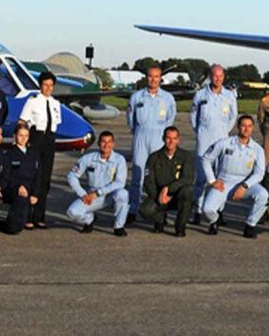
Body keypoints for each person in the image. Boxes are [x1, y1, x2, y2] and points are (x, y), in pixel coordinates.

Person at [201, 116, 268, 238]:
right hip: (224, 182)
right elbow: (206, 159)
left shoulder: (258, 149)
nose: (246, 129)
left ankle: (250, 225)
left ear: (253, 128)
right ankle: (215, 220)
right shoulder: (224, 143)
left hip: (245, 183)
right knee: (208, 209)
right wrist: (212, 181)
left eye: (249, 126)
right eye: (243, 125)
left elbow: (259, 173)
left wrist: (244, 186)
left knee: (263, 195)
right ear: (238, 127)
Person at [126, 65, 176, 224]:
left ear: (160, 78)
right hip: (141, 136)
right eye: (150, 76)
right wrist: (139, 133)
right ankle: (132, 209)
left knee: (159, 177)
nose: (153, 80)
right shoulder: (136, 97)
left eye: (156, 77)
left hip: (159, 138)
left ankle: (159, 213)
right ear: (146, 77)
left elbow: (170, 120)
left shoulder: (168, 98)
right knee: (137, 176)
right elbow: (130, 119)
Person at [190, 64, 237, 223]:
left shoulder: (229, 96)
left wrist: (224, 133)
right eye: (215, 76)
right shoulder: (200, 95)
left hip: (222, 139)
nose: (218, 79)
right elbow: (193, 116)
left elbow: (232, 117)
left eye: (221, 76)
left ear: (224, 77)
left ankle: (218, 211)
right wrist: (201, 132)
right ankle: (197, 210)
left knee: (220, 177)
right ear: (210, 76)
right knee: (202, 178)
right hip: (204, 139)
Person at [18, 71, 61, 229]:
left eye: (51, 85)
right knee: (33, 175)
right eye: (45, 85)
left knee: (45, 178)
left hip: (49, 139)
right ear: (40, 85)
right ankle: (28, 216)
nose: (48, 88)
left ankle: (40, 216)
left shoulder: (56, 103)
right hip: (36, 137)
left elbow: (57, 123)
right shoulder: (33, 101)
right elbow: (22, 121)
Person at [66, 131, 129, 236]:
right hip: (91, 197)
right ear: (98, 143)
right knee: (72, 213)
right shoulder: (88, 158)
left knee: (123, 194)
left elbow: (120, 183)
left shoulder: (119, 160)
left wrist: (99, 192)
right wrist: (82, 194)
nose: (106, 145)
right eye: (103, 142)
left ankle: (119, 226)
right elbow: (71, 176)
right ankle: (90, 219)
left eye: (109, 142)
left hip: (110, 195)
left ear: (113, 144)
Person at [139, 126, 194, 237]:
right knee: (145, 210)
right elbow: (148, 181)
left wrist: (168, 189)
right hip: (159, 196)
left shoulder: (186, 156)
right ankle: (159, 220)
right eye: (168, 138)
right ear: (163, 138)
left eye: (174, 138)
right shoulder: (154, 157)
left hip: (177, 195)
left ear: (178, 140)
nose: (171, 141)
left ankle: (180, 226)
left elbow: (188, 178)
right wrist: (159, 196)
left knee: (188, 191)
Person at [0, 124, 40, 234]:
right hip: (13, 188)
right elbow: (6, 176)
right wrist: (17, 187)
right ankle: (9, 226)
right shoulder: (9, 154)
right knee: (15, 227)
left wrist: (35, 193)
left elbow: (37, 175)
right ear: (15, 136)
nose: (23, 138)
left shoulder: (34, 154)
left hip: (29, 189)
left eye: (26, 135)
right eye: (21, 135)